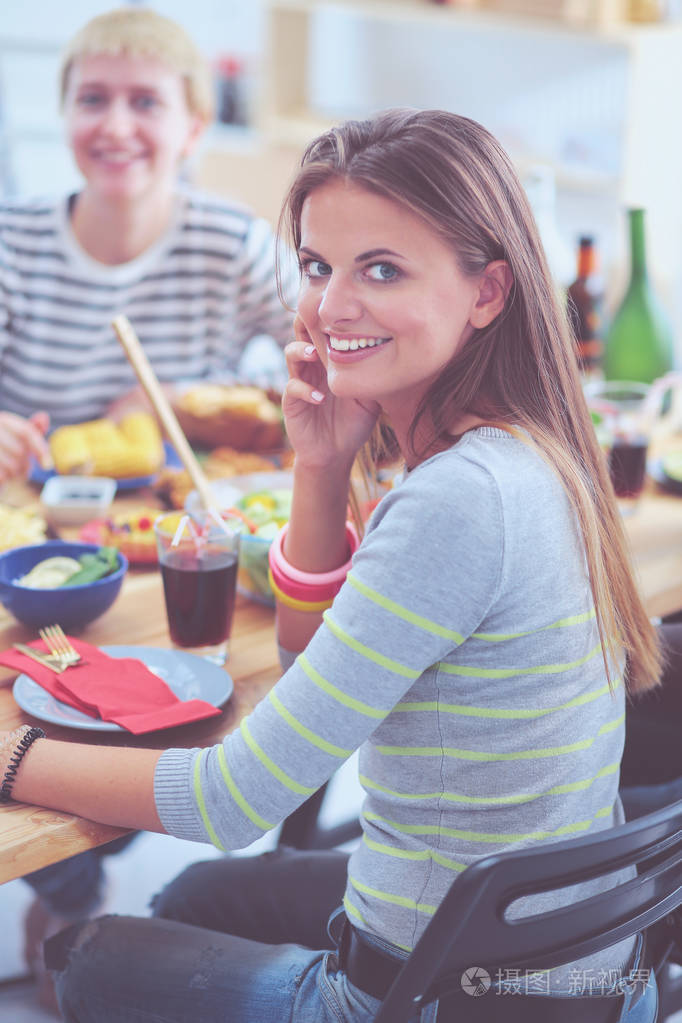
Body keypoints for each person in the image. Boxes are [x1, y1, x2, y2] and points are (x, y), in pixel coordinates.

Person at [0, 108, 663, 1022]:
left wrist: (10, 754)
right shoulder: (535, 445)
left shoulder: (457, 500)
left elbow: (236, 797)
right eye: (318, 265)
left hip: (444, 994)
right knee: (193, 899)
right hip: (573, 970)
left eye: (381, 269)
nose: (330, 305)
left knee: (86, 956)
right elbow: (313, 651)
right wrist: (320, 466)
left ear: (488, 290)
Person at [0, 6, 297, 485]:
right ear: (66, 116)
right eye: (93, 100)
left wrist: (174, 399)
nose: (116, 128)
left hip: (186, 512)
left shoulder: (234, 243)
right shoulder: (10, 241)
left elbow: (331, 363)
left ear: (194, 129)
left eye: (146, 102)